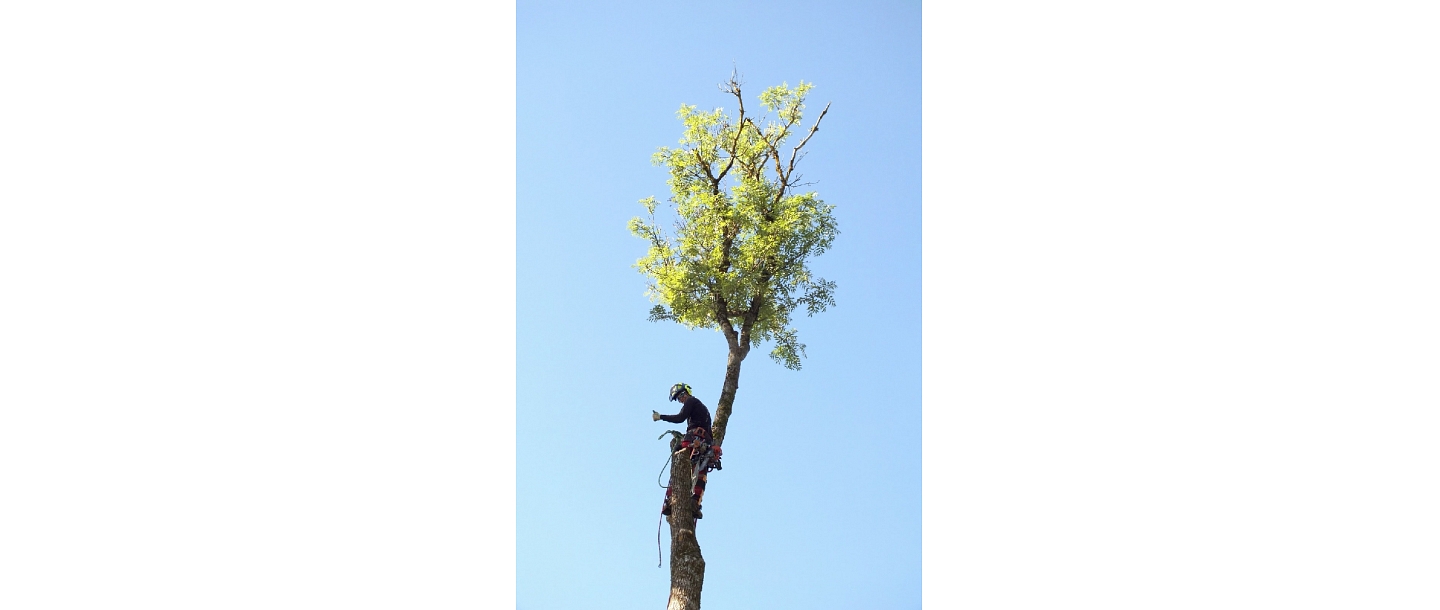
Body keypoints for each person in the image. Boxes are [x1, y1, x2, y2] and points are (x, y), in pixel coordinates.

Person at [652, 382, 714, 518]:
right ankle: (694, 502)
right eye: (679, 398)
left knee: (681, 465)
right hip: (704, 442)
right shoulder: (702, 408)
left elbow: (680, 418)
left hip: (694, 438)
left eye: (681, 395)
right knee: (700, 473)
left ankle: (671, 500)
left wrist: (661, 417)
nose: (681, 399)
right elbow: (709, 432)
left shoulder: (691, 401)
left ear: (687, 392)